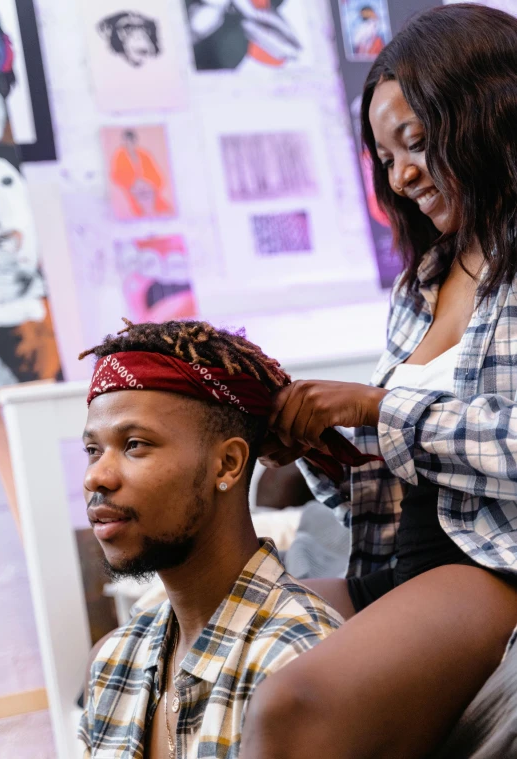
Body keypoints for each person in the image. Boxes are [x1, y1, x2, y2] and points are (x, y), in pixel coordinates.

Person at [239, 3, 517, 759]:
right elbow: (390, 468)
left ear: (489, 114)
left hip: (490, 566)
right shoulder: (420, 285)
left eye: (417, 142)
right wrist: (317, 445)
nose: (401, 174)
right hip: (390, 559)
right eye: (385, 156)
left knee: (290, 706)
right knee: (210, 644)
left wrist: (377, 405)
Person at [77, 319, 342, 758]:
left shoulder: (296, 662)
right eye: (93, 450)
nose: (96, 476)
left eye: (135, 444)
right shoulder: (115, 662)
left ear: (227, 464)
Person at [110, 129, 172, 218]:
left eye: (131, 141)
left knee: (163, 211)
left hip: (150, 191)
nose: (128, 145)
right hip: (132, 192)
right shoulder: (119, 155)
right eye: (126, 142)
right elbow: (116, 175)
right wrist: (132, 183)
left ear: (135, 141)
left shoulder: (144, 155)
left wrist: (147, 183)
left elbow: (157, 176)